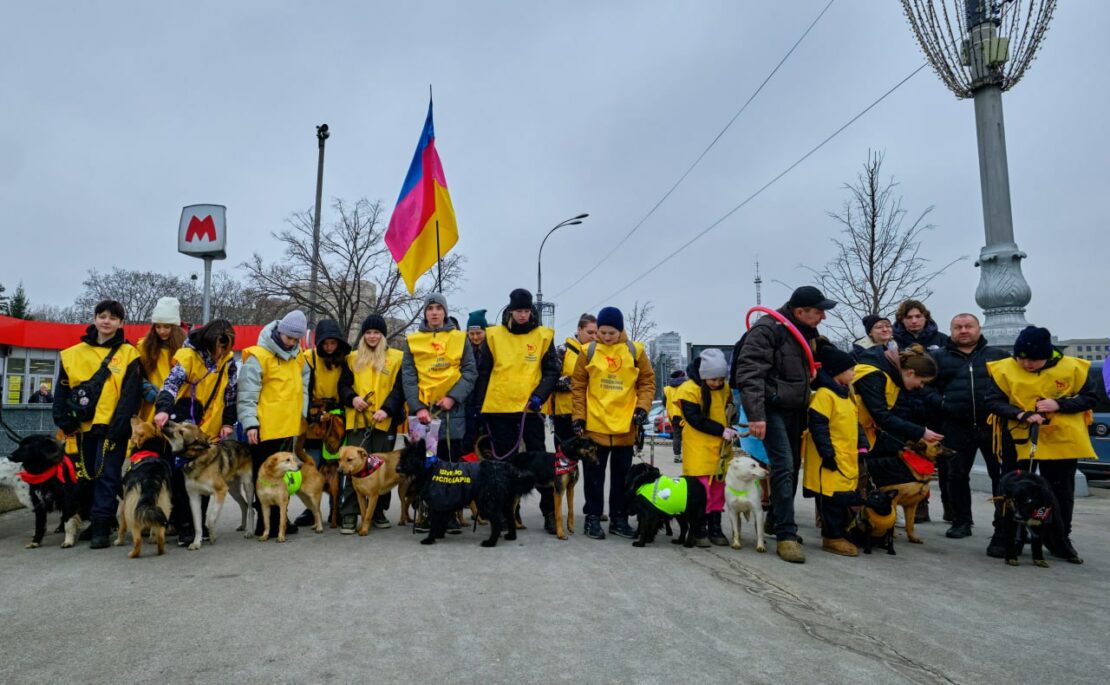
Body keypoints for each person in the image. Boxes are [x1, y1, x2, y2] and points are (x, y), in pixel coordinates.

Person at [731, 285, 835, 563]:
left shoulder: (806, 333)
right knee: (784, 465)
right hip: (771, 407)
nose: (823, 317)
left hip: (795, 408)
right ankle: (787, 536)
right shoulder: (767, 330)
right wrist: (755, 415)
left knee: (791, 466)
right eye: (818, 312)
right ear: (800, 311)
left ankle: (776, 519)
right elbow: (749, 371)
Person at [984, 325, 1097, 562]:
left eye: (1033, 360)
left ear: (1047, 354)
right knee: (1012, 490)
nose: (1026, 365)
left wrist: (1060, 404)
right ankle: (1007, 536)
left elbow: (1090, 398)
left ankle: (1058, 538)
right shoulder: (1003, 369)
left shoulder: (1074, 367)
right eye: (1021, 359)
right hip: (1020, 438)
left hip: (1061, 440)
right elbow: (992, 401)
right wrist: (1021, 414)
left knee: (1059, 492)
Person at [52, 299, 142, 549]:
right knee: (84, 477)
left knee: (107, 477)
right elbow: (62, 391)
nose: (106, 321)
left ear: (121, 323)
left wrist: (119, 426)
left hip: (111, 428)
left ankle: (102, 526)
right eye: (102, 316)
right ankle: (89, 520)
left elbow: (130, 396)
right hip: (79, 429)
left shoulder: (129, 354)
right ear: (94, 319)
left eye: (112, 318)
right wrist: (62, 420)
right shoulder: (72, 354)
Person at [571, 306, 655, 540]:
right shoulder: (587, 351)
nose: (606, 337)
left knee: (622, 477)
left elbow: (647, 382)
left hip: (625, 427)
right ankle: (593, 518)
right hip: (595, 425)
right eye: (602, 332)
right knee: (594, 477)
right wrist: (578, 416)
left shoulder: (634, 351)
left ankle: (619, 518)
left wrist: (642, 409)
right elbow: (578, 387)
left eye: (611, 333)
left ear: (620, 331)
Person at [478, 289, 560, 530]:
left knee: (540, 462)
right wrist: (479, 406)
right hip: (499, 406)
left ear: (531, 311)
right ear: (510, 311)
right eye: (518, 311)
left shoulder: (544, 336)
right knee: (506, 464)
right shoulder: (493, 335)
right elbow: (484, 372)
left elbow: (552, 371)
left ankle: (548, 513)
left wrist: (539, 396)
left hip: (530, 408)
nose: (523, 315)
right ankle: (509, 513)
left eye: (526, 311)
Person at [154, 319, 238, 545]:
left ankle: (197, 527)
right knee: (180, 478)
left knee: (203, 478)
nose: (220, 352)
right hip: (183, 424)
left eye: (225, 347)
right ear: (208, 342)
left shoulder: (229, 362)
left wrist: (229, 422)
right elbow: (170, 385)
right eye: (217, 347)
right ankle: (183, 526)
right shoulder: (187, 357)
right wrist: (162, 409)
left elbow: (231, 393)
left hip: (209, 426)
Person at [923, 313, 1007, 539]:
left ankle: (1004, 522)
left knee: (1001, 476)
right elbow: (924, 387)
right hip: (956, 426)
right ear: (951, 331)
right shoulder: (937, 357)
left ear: (978, 328)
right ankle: (961, 521)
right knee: (956, 475)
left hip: (993, 427)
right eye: (957, 327)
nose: (963, 331)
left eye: (968, 326)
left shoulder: (998, 356)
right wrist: (942, 403)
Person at [238, 310, 309, 536]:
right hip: (264, 429)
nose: (292, 343)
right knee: (264, 477)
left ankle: (280, 520)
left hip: (288, 427)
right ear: (280, 332)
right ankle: (263, 521)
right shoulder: (258, 356)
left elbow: (304, 385)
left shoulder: (299, 357)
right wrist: (250, 424)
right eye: (289, 338)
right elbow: (247, 394)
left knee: (282, 477)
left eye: (297, 340)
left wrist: (303, 411)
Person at [338, 314, 405, 533]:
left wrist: (387, 409)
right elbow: (343, 386)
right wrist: (352, 398)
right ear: (363, 335)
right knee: (352, 468)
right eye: (368, 332)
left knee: (381, 470)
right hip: (358, 423)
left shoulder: (397, 358)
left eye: (377, 332)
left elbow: (400, 389)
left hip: (384, 422)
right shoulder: (352, 358)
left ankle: (377, 513)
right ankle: (349, 514)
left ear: (383, 335)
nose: (372, 336)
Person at [802, 345, 866, 556]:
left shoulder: (847, 395)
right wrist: (827, 454)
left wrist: (862, 445)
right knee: (832, 500)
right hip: (830, 458)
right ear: (837, 372)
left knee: (844, 497)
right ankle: (832, 537)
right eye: (850, 369)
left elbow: (855, 424)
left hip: (846, 456)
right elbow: (818, 426)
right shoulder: (825, 395)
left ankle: (841, 532)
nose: (854, 373)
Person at [401, 293, 477, 464]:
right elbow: (408, 378)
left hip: (452, 414)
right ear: (425, 313)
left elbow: (470, 372)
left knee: (450, 470)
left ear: (445, 312)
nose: (434, 313)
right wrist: (418, 407)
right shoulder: (412, 341)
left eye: (438, 308)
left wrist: (452, 397)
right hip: (423, 415)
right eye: (430, 308)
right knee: (423, 472)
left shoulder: (460, 338)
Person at [674, 349, 737, 547]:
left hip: (720, 445)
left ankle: (715, 527)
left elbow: (728, 408)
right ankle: (699, 527)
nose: (717, 383)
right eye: (713, 379)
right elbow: (695, 419)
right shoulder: (689, 389)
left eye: (720, 379)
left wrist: (730, 425)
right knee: (701, 489)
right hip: (698, 444)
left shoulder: (724, 388)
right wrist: (721, 429)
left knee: (719, 487)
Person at [294, 318, 352, 528]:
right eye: (325, 343)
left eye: (333, 343)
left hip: (336, 418)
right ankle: (311, 509)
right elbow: (304, 388)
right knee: (313, 464)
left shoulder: (345, 360)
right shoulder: (309, 358)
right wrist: (311, 415)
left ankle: (336, 509)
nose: (329, 347)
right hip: (315, 417)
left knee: (337, 465)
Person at [550, 313, 597, 449]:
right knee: (564, 460)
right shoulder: (562, 351)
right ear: (579, 330)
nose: (593, 336)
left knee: (591, 458)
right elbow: (550, 380)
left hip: (592, 414)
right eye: (590, 332)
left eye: (596, 333)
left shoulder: (599, 353)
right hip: (565, 414)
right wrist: (578, 381)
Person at [136, 297, 185, 422]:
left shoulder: (185, 350)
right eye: (157, 327)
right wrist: (145, 387)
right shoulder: (143, 346)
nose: (161, 331)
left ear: (175, 328)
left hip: (177, 402)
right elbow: (135, 373)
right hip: (150, 403)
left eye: (167, 327)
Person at [462, 309, 490, 455]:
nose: (475, 337)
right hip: (469, 402)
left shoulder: (491, 350)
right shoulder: (464, 350)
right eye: (471, 334)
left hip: (486, 401)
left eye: (479, 333)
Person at [663, 369, 686, 463]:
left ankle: (677, 456)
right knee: (688, 436)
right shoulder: (685, 386)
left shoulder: (667, 389)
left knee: (677, 436)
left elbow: (664, 402)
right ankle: (689, 456)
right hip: (685, 415)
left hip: (673, 415)